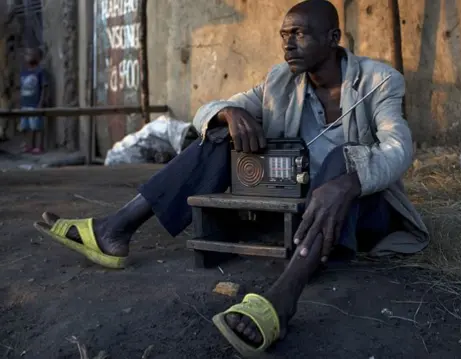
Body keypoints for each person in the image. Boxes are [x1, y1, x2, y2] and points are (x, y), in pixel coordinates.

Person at [34, 0, 429, 356]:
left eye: (298, 34)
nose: (287, 44)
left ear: (332, 37)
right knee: (221, 136)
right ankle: (116, 229)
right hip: (293, 208)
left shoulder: (379, 81)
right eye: (283, 35)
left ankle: (282, 299)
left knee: (343, 161)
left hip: (359, 212)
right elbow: (205, 110)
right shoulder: (279, 81)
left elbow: (399, 147)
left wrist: (350, 181)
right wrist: (228, 113)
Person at [19, 47, 47, 154]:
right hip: (25, 104)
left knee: (36, 126)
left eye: (31, 54)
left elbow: (44, 87)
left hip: (35, 104)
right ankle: (28, 145)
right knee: (25, 127)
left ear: (38, 57)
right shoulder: (24, 72)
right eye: (26, 54)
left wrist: (41, 102)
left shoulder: (40, 72)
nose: (28, 56)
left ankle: (38, 146)